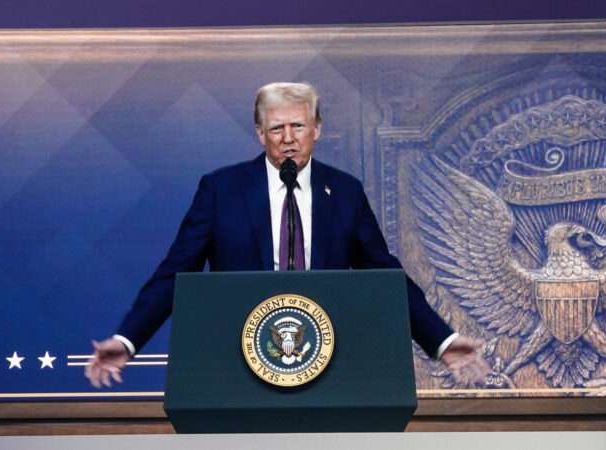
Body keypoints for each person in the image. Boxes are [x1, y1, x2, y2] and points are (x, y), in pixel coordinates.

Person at [85, 82, 489, 388]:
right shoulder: (221, 190)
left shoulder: (344, 191)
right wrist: (128, 339)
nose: (289, 138)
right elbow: (176, 271)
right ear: (260, 134)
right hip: (238, 364)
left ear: (317, 129)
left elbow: (385, 275)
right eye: (277, 128)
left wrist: (441, 340)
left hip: (326, 364)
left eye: (298, 125)